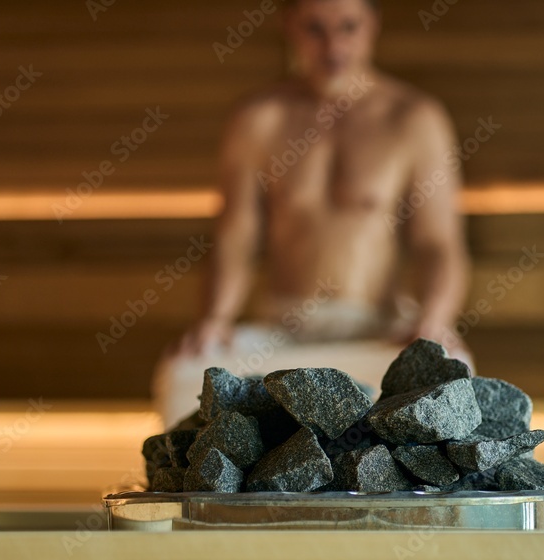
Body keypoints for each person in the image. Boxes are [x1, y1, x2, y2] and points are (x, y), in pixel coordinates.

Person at [155, 0, 471, 426]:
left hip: (378, 330)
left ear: (373, 25)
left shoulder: (414, 119)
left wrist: (433, 319)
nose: (333, 46)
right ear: (289, 26)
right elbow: (237, 235)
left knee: (450, 373)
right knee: (185, 375)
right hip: (283, 335)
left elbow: (437, 242)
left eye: (348, 27)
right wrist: (215, 320)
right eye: (314, 28)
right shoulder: (259, 118)